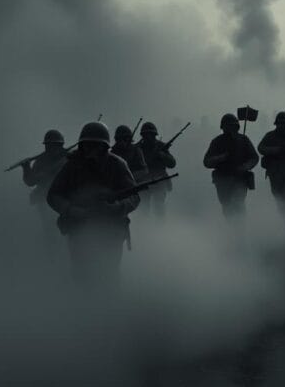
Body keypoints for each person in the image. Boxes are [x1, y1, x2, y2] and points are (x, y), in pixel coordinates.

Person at [47, 122, 140, 288]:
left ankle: (109, 306)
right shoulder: (72, 166)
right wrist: (72, 210)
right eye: (87, 145)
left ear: (104, 146)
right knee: (81, 273)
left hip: (111, 227)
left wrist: (116, 207)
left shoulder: (117, 164)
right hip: (79, 226)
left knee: (109, 273)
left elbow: (134, 196)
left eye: (96, 145)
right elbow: (54, 195)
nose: (91, 149)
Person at [203, 113, 259, 223]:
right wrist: (220, 158)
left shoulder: (243, 140)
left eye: (232, 126)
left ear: (236, 126)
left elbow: (254, 157)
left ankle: (240, 229)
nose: (230, 129)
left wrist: (245, 166)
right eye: (227, 126)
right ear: (223, 127)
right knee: (227, 207)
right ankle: (231, 230)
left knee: (238, 204)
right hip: (223, 179)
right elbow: (207, 162)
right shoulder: (217, 141)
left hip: (240, 179)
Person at [21, 130, 70, 233]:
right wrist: (26, 168)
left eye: (54, 145)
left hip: (64, 198)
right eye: (49, 145)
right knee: (49, 229)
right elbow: (30, 181)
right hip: (45, 200)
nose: (51, 148)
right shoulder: (41, 161)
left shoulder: (68, 158)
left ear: (60, 145)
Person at [136, 122, 177, 218]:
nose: (149, 137)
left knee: (159, 207)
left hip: (159, 180)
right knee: (143, 208)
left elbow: (172, 163)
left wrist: (162, 156)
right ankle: (144, 228)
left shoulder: (161, 147)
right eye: (146, 135)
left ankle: (160, 229)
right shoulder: (138, 148)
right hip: (143, 180)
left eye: (151, 135)